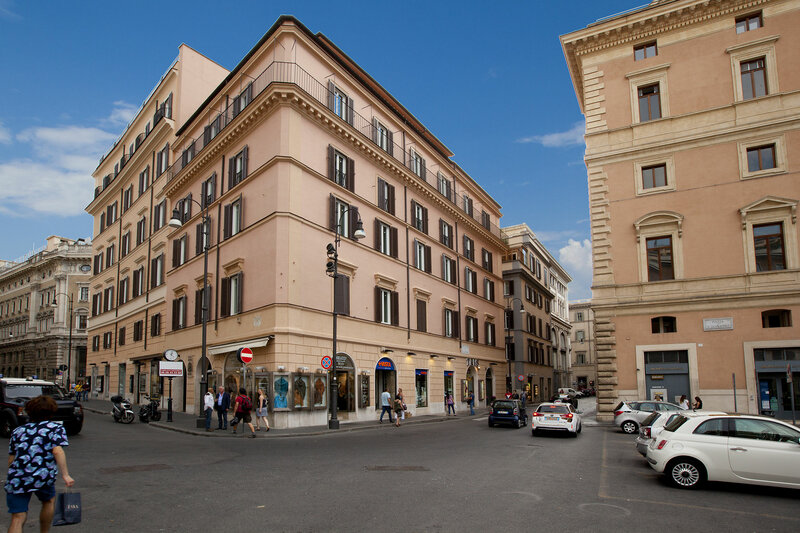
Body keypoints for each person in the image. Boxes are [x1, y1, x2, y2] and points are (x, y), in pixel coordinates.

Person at [5, 396, 75, 533]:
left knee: (17, 517)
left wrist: (16, 475)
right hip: (42, 476)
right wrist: (65, 475)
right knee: (48, 501)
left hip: (18, 477)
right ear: (52, 411)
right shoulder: (55, 428)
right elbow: (57, 451)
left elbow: (11, 459)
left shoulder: (18, 431)